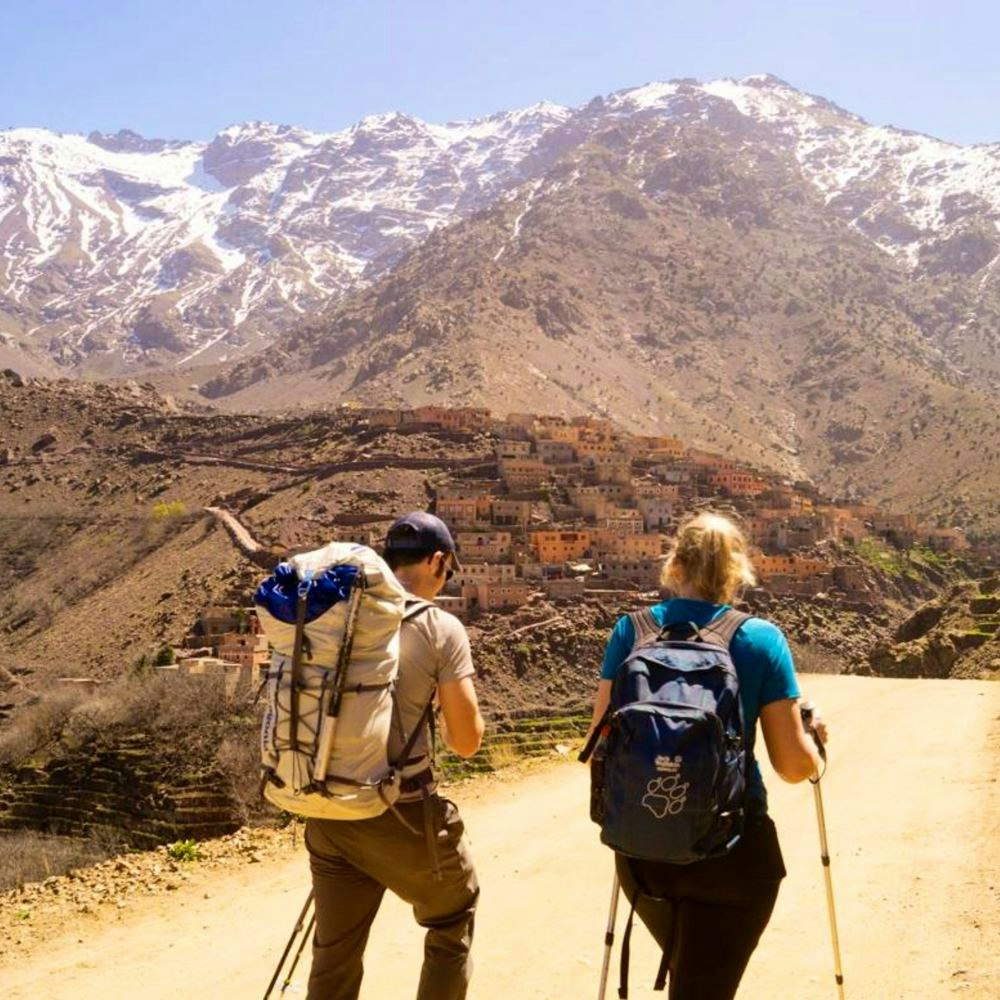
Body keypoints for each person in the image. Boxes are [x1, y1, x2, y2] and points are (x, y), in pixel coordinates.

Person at [587, 511, 829, 1000]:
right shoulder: (760, 639)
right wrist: (817, 744)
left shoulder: (630, 632)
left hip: (642, 849)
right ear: (737, 572)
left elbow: (598, 744)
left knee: (694, 975)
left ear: (673, 563)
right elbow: (791, 765)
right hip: (733, 856)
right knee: (704, 985)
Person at [305, 511, 485, 1000]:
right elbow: (466, 743)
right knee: (453, 914)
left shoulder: (336, 614)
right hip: (398, 814)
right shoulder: (439, 627)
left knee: (334, 952)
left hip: (326, 809)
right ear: (438, 561)